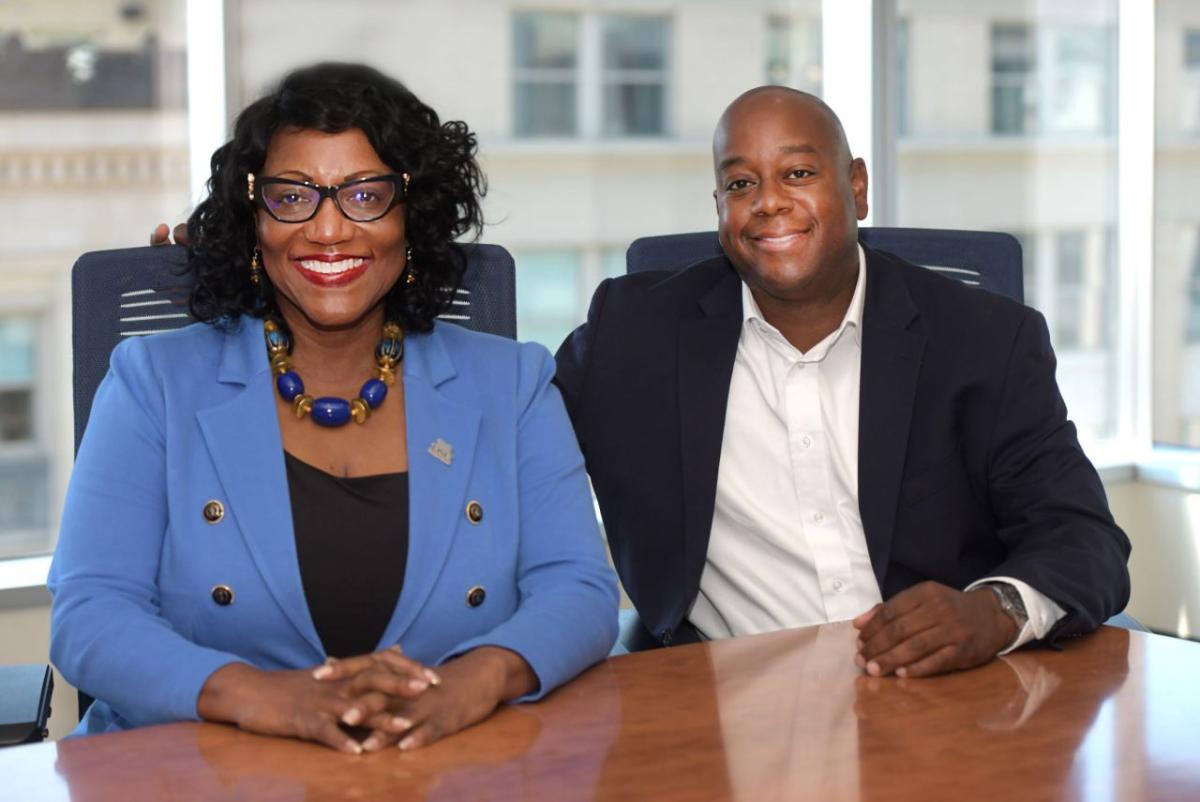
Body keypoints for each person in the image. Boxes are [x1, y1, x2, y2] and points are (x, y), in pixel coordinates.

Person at [49, 62, 619, 754]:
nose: (327, 230)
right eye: (293, 197)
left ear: (413, 215)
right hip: (198, 763)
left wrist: (478, 679)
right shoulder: (152, 382)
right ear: (254, 220)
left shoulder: (514, 382)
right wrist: (264, 698)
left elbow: (578, 588)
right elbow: (90, 614)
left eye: (366, 195)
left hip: (445, 761)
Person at [555, 86, 1130, 678]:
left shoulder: (985, 340)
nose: (768, 202)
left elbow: (1083, 538)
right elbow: (504, 433)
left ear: (857, 186)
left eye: (798, 172)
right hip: (732, 709)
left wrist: (993, 612)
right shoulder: (633, 336)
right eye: (740, 184)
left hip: (945, 699)